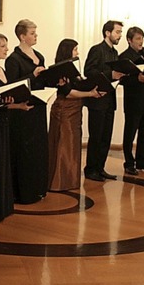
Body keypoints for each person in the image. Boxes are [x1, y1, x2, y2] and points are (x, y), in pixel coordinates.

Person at [5, 19, 49, 204]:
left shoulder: (39, 55)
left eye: (35, 32)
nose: (35, 35)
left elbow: (43, 82)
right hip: (22, 111)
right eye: (32, 33)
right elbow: (13, 86)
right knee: (25, 151)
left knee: (39, 149)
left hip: (38, 107)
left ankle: (39, 189)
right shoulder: (13, 59)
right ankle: (24, 192)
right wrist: (33, 75)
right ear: (22, 36)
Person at [48, 39, 101, 191]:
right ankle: (60, 181)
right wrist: (90, 93)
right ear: (68, 51)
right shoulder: (61, 70)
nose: (78, 52)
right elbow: (68, 93)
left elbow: (77, 85)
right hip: (65, 110)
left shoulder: (72, 69)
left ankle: (69, 179)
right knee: (64, 145)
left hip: (74, 110)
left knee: (72, 145)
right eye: (75, 49)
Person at [83, 20, 125, 182]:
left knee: (106, 137)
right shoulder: (96, 50)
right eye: (117, 32)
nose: (119, 35)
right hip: (97, 99)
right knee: (96, 137)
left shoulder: (115, 53)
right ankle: (91, 169)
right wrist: (110, 74)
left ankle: (100, 168)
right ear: (107, 33)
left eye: (121, 32)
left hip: (109, 100)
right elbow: (89, 71)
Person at [118, 26, 144, 176]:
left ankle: (142, 161)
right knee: (130, 132)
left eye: (142, 38)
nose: (141, 41)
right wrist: (137, 78)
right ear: (129, 40)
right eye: (137, 38)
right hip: (133, 99)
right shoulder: (123, 56)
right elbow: (121, 79)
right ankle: (129, 163)